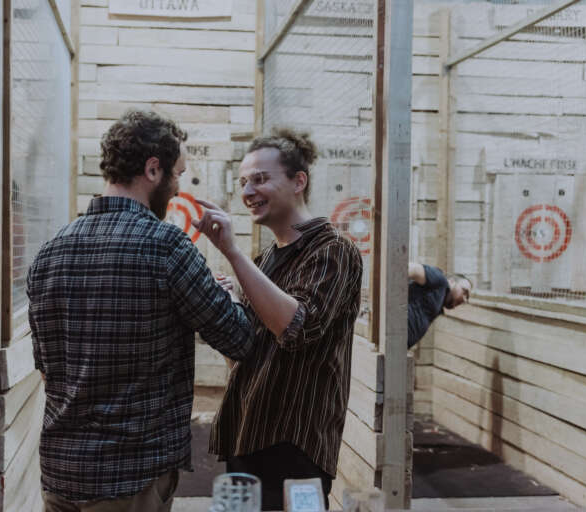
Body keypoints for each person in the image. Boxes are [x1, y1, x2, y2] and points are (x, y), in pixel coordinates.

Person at [27, 110, 254, 512]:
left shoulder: (49, 253)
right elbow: (239, 339)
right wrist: (231, 295)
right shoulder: (167, 246)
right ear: (153, 169)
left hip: (60, 474)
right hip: (130, 478)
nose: (178, 186)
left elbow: (47, 369)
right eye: (177, 174)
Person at [193, 128, 363, 511]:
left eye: (260, 179)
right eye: (243, 182)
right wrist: (231, 305)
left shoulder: (333, 250)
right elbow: (243, 357)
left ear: (298, 181)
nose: (248, 191)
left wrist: (233, 253)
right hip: (246, 432)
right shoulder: (266, 259)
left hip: (294, 445)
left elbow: (296, 328)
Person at [407, 262, 472, 348]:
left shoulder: (440, 300)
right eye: (464, 292)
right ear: (452, 281)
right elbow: (411, 269)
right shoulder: (440, 280)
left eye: (467, 298)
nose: (464, 299)